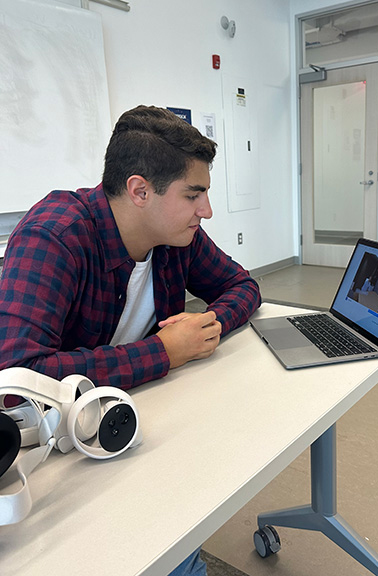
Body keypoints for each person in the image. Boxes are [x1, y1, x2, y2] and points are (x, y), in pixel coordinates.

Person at [0, 105, 262, 576]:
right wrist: (163, 351)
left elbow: (244, 286)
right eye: (194, 194)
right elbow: (17, 376)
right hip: (47, 457)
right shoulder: (55, 236)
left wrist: (208, 326)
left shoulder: (174, 235)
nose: (206, 210)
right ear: (140, 190)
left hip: (129, 422)